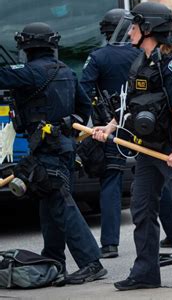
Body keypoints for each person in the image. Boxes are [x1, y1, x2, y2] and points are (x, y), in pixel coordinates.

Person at [92, 2, 172, 293]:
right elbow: (128, 105)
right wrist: (109, 127)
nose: (131, 30)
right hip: (147, 152)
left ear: (149, 28)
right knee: (141, 209)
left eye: (135, 25)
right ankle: (146, 272)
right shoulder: (140, 60)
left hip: (171, 149)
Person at [0, 22, 107, 284]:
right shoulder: (67, 72)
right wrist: (68, 123)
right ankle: (53, 259)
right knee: (49, 206)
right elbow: (84, 108)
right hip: (65, 150)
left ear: (27, 47)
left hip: (47, 152)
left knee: (62, 205)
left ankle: (91, 262)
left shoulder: (29, 72)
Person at [80, 8, 141, 259]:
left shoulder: (98, 57)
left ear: (105, 31)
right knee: (159, 176)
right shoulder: (142, 54)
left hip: (110, 126)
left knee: (111, 181)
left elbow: (82, 91)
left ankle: (109, 244)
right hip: (143, 124)